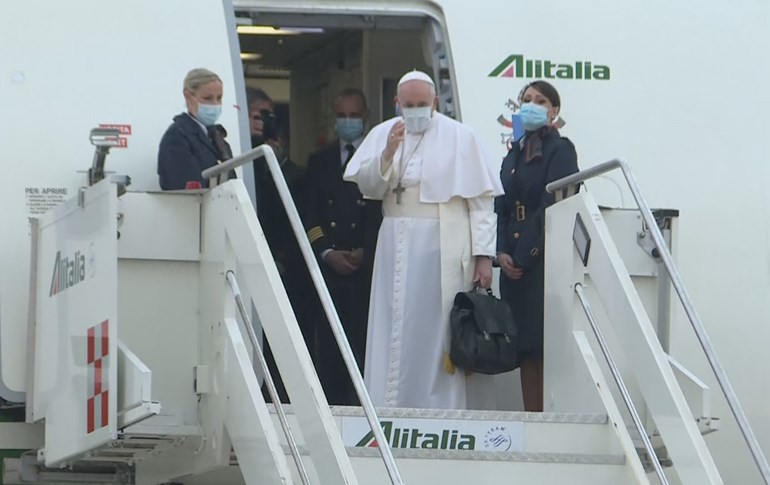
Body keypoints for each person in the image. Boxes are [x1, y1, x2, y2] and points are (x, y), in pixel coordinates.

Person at [343, 71, 503, 410]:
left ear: (435, 102)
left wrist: (483, 256)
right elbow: (369, 188)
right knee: (392, 321)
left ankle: (438, 409)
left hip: (442, 242)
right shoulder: (384, 133)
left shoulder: (461, 137)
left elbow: (482, 204)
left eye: (422, 104)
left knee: (436, 329)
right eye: (409, 104)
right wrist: (387, 153)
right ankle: (388, 404)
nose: (415, 110)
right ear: (397, 103)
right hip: (394, 241)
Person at [495, 80, 578, 412]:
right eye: (526, 100)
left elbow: (553, 204)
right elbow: (501, 204)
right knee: (524, 349)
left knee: (543, 346)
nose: (532, 105)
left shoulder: (561, 150)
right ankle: (532, 417)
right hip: (513, 264)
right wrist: (501, 252)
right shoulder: (514, 152)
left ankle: (547, 419)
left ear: (554, 110)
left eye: (540, 100)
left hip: (542, 261)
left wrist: (524, 255)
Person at [303, 88, 371, 405]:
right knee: (329, 345)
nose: (348, 121)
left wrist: (367, 251)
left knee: (363, 344)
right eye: (342, 116)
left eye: (354, 115)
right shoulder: (320, 161)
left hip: (365, 268)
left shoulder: (377, 155)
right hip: (330, 266)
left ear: (365, 117)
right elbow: (309, 213)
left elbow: (381, 212)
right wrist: (326, 252)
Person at [246, 88, 311, 403]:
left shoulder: (283, 165)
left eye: (269, 116)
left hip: (281, 258)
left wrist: (274, 158)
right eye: (258, 116)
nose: (265, 122)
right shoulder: (237, 151)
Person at [158, 68, 234, 189]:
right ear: (188, 96)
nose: (215, 104)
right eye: (207, 98)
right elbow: (187, 187)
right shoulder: (177, 137)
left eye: (219, 98)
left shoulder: (218, 138)